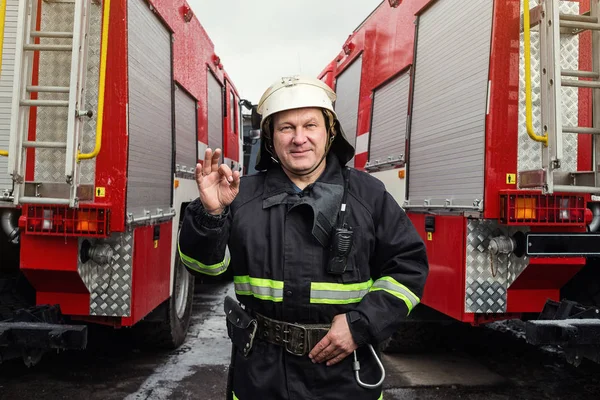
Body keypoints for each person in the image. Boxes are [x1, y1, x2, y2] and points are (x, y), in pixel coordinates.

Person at [178, 75, 429, 400]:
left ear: (330, 132)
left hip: (347, 378)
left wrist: (361, 324)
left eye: (310, 125)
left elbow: (407, 270)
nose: (299, 138)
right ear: (270, 138)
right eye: (286, 128)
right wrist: (211, 215)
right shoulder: (241, 197)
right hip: (261, 378)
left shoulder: (369, 196)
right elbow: (205, 269)